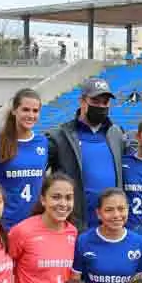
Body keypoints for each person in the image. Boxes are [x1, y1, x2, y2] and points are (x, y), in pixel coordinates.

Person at [47, 78, 124, 230]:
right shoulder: (60, 136)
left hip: (110, 225)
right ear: (82, 101)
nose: (101, 106)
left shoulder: (116, 134)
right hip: (74, 225)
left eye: (105, 102)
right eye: (95, 101)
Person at [72, 189, 142, 283]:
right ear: (98, 213)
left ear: (128, 209)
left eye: (121, 209)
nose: (116, 215)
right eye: (109, 210)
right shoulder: (84, 241)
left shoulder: (139, 243)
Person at [0, 88, 47, 229]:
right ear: (14, 110)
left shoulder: (43, 142)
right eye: (25, 110)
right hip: (5, 224)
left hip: (36, 224)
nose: (30, 115)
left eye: (35, 111)